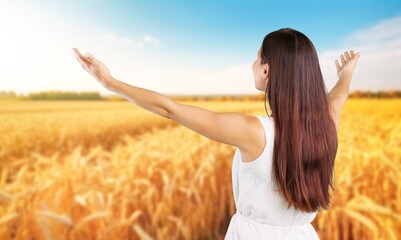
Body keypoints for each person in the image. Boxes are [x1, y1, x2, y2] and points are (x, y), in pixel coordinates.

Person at [73, 27, 360, 239]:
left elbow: (170, 109)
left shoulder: (254, 132)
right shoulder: (326, 125)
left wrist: (111, 83)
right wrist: (346, 73)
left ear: (267, 70)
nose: (253, 64)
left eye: (256, 58)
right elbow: (338, 95)